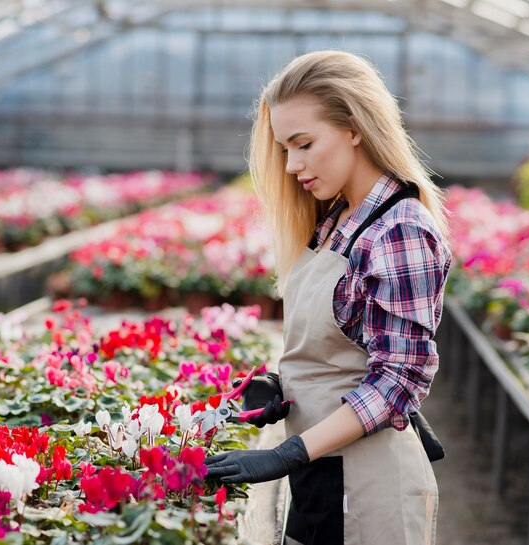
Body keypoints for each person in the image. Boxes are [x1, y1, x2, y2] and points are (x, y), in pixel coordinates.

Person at [204, 50, 452, 545]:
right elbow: (343, 351)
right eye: (284, 150)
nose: (293, 165)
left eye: (304, 144)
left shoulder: (398, 230)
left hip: (369, 484)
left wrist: (286, 452)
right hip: (320, 475)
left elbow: (399, 380)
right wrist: (286, 389)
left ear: (354, 126)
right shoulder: (336, 220)